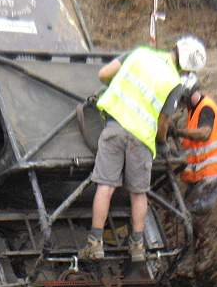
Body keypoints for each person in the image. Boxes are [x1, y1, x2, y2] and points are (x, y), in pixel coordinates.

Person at [79, 36, 207, 262]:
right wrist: (162, 144)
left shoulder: (139, 54)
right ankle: (138, 246)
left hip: (115, 126)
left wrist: (120, 87)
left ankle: (95, 243)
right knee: (139, 193)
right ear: (187, 68)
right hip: (142, 140)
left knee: (106, 186)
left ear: (176, 47)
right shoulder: (174, 83)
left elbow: (104, 74)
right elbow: (163, 121)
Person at [172, 78, 217, 248]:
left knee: (191, 211)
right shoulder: (193, 112)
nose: (182, 104)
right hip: (202, 174)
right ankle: (197, 247)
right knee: (186, 210)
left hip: (213, 172)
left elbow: (204, 134)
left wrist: (178, 132)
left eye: (183, 99)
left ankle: (202, 246)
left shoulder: (206, 107)